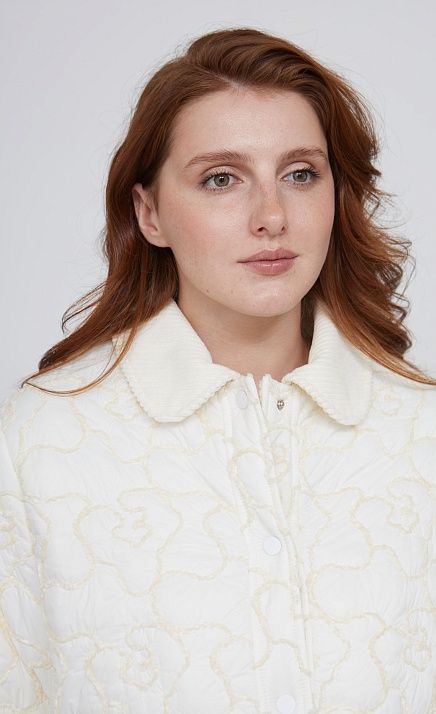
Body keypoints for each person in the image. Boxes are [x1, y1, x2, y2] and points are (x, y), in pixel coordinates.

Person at [1, 25, 435, 714]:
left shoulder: (422, 432)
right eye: (221, 179)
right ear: (149, 213)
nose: (271, 216)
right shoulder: (36, 447)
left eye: (300, 174)